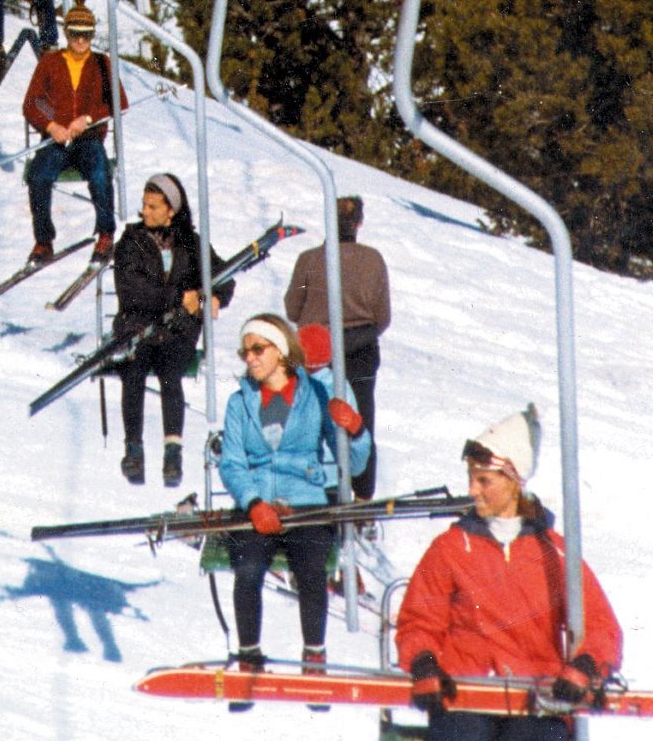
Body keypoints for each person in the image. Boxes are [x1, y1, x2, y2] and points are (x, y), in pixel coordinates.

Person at [395, 409, 622, 741]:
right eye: (471, 478)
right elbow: (419, 620)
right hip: (464, 694)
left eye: (484, 480)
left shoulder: (554, 553)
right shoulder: (451, 548)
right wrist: (424, 663)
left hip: (536, 698)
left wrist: (586, 665)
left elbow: (600, 625)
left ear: (513, 481)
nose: (473, 490)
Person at [218, 313, 366, 695]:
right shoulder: (240, 404)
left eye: (257, 349)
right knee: (248, 568)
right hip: (257, 504)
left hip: (305, 501)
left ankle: (314, 654)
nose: (249, 358)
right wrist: (252, 503)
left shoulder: (315, 396)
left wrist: (355, 431)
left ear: (281, 352)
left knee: (311, 570)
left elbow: (355, 463)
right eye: (244, 351)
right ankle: (249, 653)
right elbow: (232, 463)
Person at [112, 174, 234, 487]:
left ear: (171, 211)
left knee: (171, 373)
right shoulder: (131, 241)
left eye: (154, 206)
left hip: (178, 328)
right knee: (134, 371)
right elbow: (132, 287)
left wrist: (213, 297)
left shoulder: (191, 244)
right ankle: (134, 448)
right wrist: (179, 297)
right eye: (144, 206)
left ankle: (172, 452)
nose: (146, 212)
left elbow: (225, 275)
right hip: (139, 323)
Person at [284, 195, 390, 499]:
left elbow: (293, 309)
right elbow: (383, 316)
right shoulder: (373, 260)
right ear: (359, 223)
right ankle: (363, 497)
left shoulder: (308, 260)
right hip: (360, 348)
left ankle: (316, 488)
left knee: (313, 420)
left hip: (316, 350)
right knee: (361, 422)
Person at [22, 0, 127, 267]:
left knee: (100, 173)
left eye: (87, 35)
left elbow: (119, 102)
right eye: (75, 35)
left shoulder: (102, 64)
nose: (81, 41)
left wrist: (88, 118)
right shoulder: (50, 62)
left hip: (88, 138)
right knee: (38, 177)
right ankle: (44, 241)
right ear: (67, 34)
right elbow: (32, 102)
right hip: (56, 140)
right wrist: (51, 125)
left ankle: (105, 235)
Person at [297, 323, 370, 505]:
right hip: (331, 482)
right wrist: (357, 429)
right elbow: (356, 464)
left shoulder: (289, 386)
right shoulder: (340, 387)